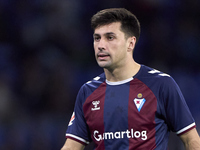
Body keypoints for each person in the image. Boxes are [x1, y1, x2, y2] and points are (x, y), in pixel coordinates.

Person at [61, 8, 200, 150]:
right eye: (97, 38)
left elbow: (191, 140)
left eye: (110, 37)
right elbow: (71, 146)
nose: (101, 46)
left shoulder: (161, 84)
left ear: (131, 43)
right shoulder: (88, 91)